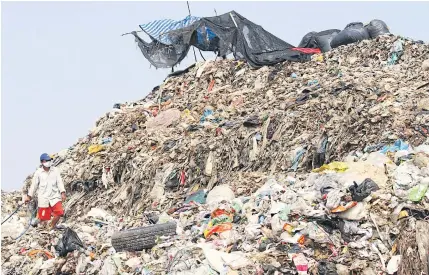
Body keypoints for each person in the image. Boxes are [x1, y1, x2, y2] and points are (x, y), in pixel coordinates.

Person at [25, 153, 66, 230]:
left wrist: (62, 192)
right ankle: (39, 223)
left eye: (50, 160)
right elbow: (34, 185)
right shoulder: (38, 173)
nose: (49, 162)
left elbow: (59, 182)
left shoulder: (55, 170)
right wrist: (29, 196)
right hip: (43, 198)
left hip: (55, 196)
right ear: (42, 162)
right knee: (44, 218)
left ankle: (52, 226)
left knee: (59, 212)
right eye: (47, 160)